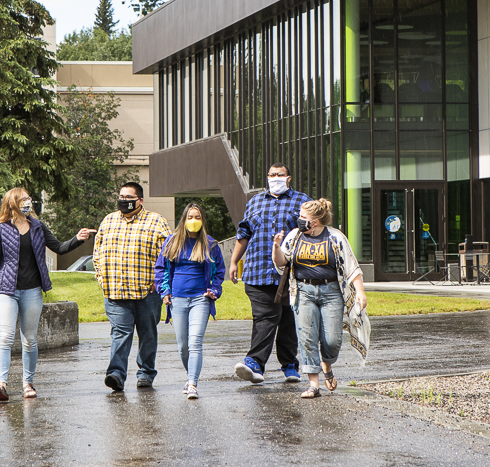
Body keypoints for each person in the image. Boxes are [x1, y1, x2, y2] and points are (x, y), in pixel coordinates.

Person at [0, 188, 94, 401]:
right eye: (23, 199)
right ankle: (2, 384)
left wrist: (77, 239)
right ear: (13, 203)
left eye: (28, 199)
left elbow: (59, 248)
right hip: (7, 290)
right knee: (5, 337)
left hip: (33, 290)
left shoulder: (37, 226)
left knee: (29, 340)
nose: (28, 202)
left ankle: (28, 383)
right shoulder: (1, 229)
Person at [272, 198, 370, 399]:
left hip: (331, 292)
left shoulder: (335, 237)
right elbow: (282, 262)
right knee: (307, 338)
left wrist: (360, 291)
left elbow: (351, 266)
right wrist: (276, 248)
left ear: (315, 222)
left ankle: (327, 363)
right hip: (303, 291)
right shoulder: (295, 236)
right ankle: (313, 385)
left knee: (332, 340)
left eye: (302, 217)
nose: (298, 220)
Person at [228, 163, 311, 384]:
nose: (275, 177)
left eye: (279, 175)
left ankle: (290, 365)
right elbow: (244, 232)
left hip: (290, 273)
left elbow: (311, 232)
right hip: (257, 272)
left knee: (288, 321)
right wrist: (234, 261)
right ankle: (254, 362)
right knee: (266, 316)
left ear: (288, 178)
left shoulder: (302, 201)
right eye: (271, 174)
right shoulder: (254, 201)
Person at [95, 181, 172, 391]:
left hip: (147, 293)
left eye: (129, 198)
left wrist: (161, 282)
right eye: (121, 196)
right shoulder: (108, 220)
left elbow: (169, 254)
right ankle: (116, 374)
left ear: (140, 200)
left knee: (147, 334)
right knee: (120, 333)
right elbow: (97, 252)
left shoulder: (156, 221)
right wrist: (102, 278)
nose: (124, 201)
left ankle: (146, 373)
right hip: (115, 292)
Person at [153, 202, 225, 400]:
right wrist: (164, 291)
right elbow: (161, 269)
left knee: (195, 343)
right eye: (190, 217)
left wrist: (214, 289)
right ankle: (190, 376)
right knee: (183, 346)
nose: (194, 221)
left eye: (198, 217)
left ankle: (192, 383)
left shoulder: (210, 244)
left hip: (200, 300)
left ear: (203, 221)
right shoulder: (171, 242)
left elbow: (219, 271)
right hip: (177, 300)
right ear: (183, 220)